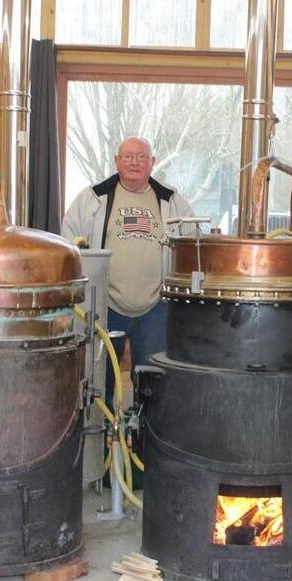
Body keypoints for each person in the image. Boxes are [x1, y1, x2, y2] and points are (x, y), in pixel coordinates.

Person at [61, 136, 194, 404]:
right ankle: (104, 439)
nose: (135, 162)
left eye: (142, 157)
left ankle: (146, 441)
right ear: (117, 161)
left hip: (155, 307)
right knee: (99, 382)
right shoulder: (93, 198)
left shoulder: (172, 200)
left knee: (153, 383)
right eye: (128, 156)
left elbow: (192, 243)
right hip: (105, 307)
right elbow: (68, 243)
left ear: (152, 163)